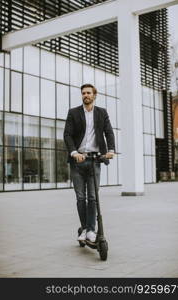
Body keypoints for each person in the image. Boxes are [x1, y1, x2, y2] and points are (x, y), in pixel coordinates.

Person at [64, 83, 115, 243]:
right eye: (83, 93)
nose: (85, 95)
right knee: (80, 198)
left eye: (88, 93)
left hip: (95, 160)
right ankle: (85, 228)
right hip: (78, 161)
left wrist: (111, 150)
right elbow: (67, 135)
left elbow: (109, 132)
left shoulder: (102, 113)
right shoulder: (73, 112)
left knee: (93, 197)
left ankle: (91, 230)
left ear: (94, 95)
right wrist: (74, 152)